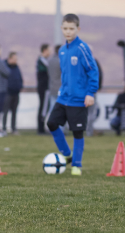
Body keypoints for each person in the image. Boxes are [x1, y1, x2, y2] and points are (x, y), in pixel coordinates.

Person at [46, 14, 99, 176]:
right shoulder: (62, 51)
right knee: (51, 123)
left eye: (71, 29)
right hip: (64, 97)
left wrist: (90, 93)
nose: (68, 32)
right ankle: (67, 154)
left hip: (79, 99)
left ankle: (76, 165)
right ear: (61, 29)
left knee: (77, 132)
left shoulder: (82, 48)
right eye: (65, 28)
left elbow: (93, 71)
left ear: (78, 29)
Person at [2, 52, 23, 135]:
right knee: (5, 111)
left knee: (14, 112)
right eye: (14, 59)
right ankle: (4, 128)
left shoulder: (16, 67)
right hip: (8, 93)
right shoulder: (4, 66)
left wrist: (20, 86)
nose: (16, 60)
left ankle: (13, 129)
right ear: (10, 59)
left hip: (16, 93)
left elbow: (20, 78)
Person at [85, 58, 103, 136]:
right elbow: (99, 74)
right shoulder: (93, 61)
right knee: (91, 112)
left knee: (84, 112)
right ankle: (89, 131)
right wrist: (97, 87)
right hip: (91, 91)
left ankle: (81, 130)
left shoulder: (80, 61)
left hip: (81, 91)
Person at [36, 44, 51, 135]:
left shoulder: (44, 61)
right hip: (44, 88)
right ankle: (41, 129)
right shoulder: (42, 61)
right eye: (49, 50)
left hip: (44, 88)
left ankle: (42, 128)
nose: (50, 52)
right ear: (45, 50)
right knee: (43, 107)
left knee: (44, 107)